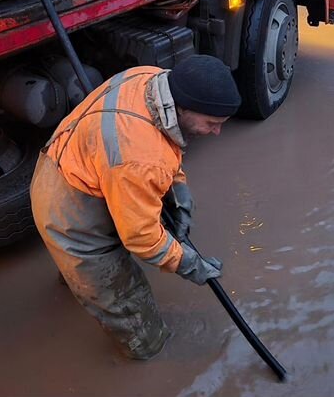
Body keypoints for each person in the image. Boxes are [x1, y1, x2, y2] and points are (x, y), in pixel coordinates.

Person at [30, 54, 241, 360]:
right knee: (139, 327)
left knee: (83, 272)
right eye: (212, 123)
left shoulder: (150, 77)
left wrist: (178, 191)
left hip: (68, 161)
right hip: (69, 210)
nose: (217, 132)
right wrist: (189, 265)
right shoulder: (139, 159)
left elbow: (164, 146)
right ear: (182, 108)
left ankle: (77, 281)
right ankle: (138, 343)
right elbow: (142, 240)